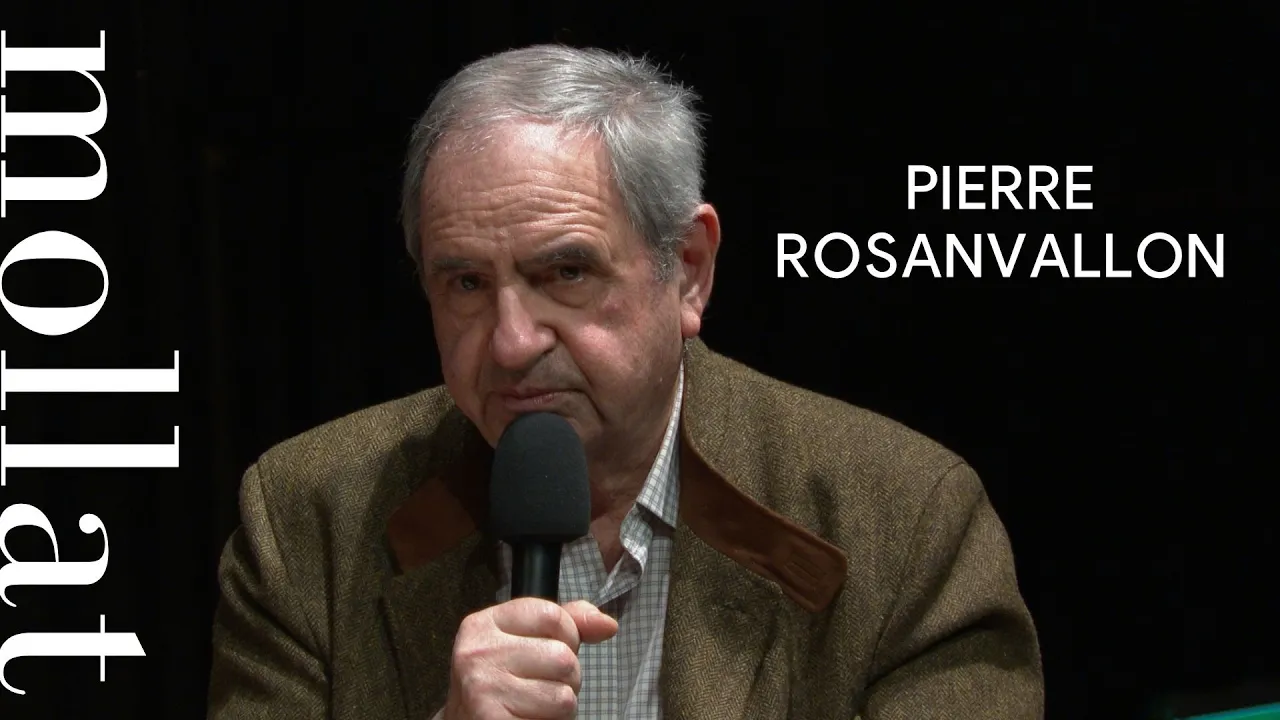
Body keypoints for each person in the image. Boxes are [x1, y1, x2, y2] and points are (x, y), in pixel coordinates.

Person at [207, 44, 1044, 719]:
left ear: (689, 270)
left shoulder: (902, 517)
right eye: (464, 283)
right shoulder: (309, 518)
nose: (511, 342)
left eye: (566, 273)